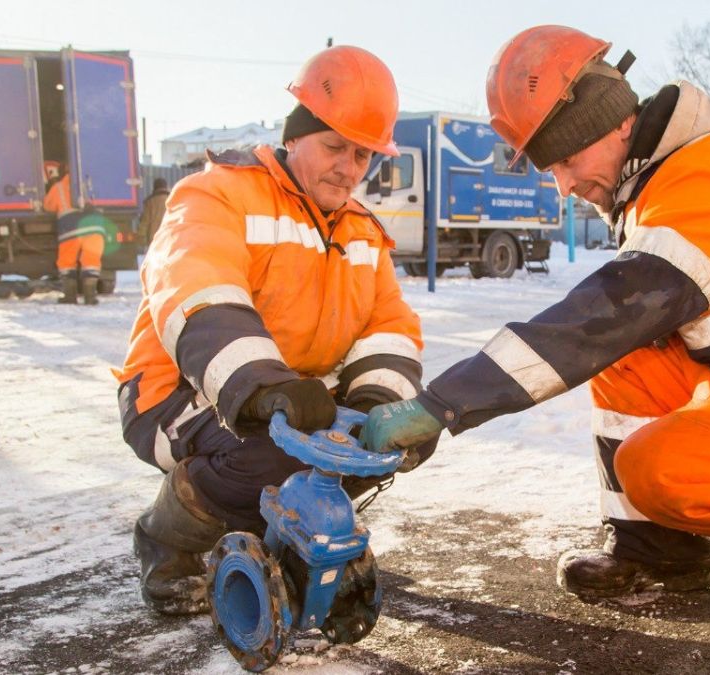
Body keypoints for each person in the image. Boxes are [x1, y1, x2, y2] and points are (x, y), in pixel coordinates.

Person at [362, 25, 710, 612]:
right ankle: (657, 550)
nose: (564, 186)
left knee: (660, 469)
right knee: (629, 355)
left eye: (567, 159)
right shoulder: (665, 179)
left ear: (619, 123)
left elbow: (599, 319)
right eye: (549, 168)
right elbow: (618, 332)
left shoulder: (708, 179)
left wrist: (442, 405)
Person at [115, 45, 432, 616]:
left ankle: (282, 543)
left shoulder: (363, 231)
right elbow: (196, 288)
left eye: (363, 155)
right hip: (178, 394)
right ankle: (171, 543)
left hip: (288, 397)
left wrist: (378, 403)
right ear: (294, 136)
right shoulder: (216, 194)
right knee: (271, 452)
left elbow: (389, 328)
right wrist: (261, 386)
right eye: (335, 146)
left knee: (362, 446)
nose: (350, 167)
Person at [44, 160, 103, 305]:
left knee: (67, 262)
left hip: (71, 229)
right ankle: (90, 296)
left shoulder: (58, 187)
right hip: (94, 226)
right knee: (91, 261)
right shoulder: (90, 184)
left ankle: (70, 296)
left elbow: (47, 206)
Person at [138, 177, 170, 249]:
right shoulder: (172, 199)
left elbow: (144, 222)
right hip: (170, 238)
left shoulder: (149, 202)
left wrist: (141, 239)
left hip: (154, 240)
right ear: (166, 187)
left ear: (154, 187)